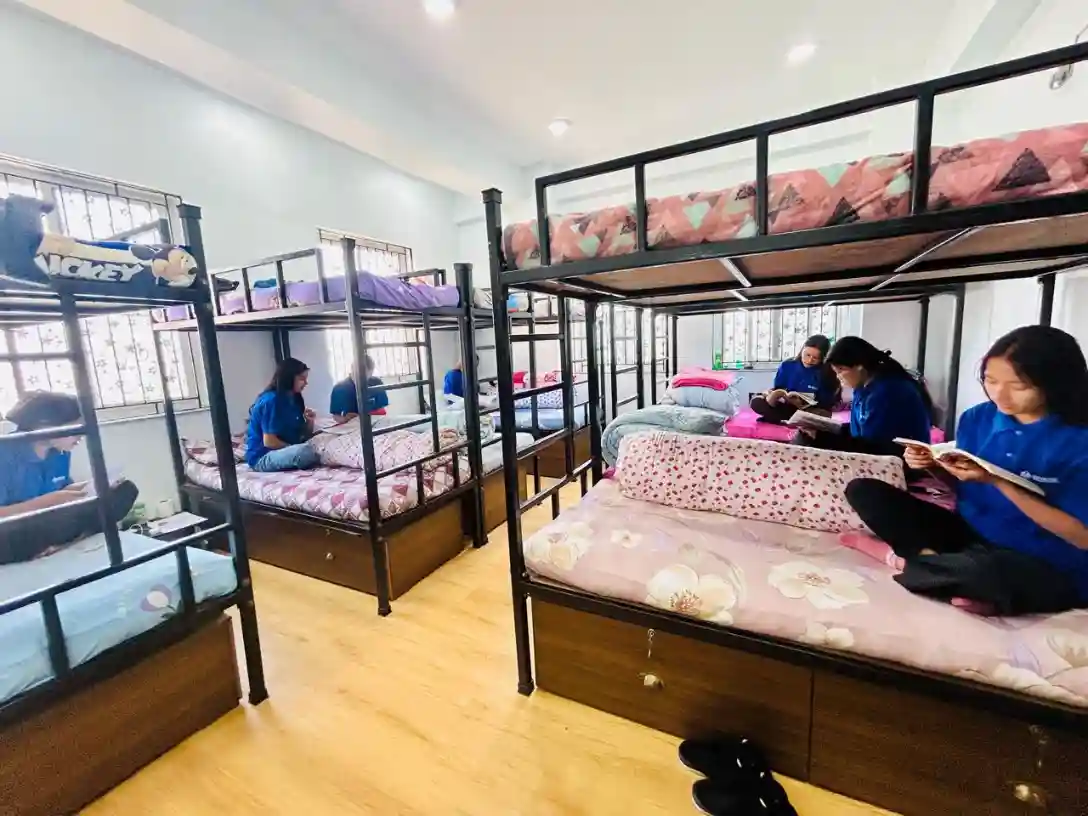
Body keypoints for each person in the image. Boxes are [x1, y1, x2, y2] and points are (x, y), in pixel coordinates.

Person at [844, 326, 1088, 616]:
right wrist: (934, 467)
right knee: (864, 491)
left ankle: (914, 564)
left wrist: (1000, 482)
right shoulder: (978, 418)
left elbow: (1081, 537)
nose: (1000, 395)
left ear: (1056, 383)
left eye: (1019, 386)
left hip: (1043, 557)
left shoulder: (1078, 439)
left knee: (986, 572)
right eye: (991, 380)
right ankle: (946, 573)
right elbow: (963, 488)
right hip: (972, 533)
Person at [0, 391, 138, 564]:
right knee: (31, 530)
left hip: (52, 520)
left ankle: (69, 541)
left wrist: (91, 487)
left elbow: (63, 491)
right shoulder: (4, 453)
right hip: (15, 530)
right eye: (76, 430)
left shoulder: (60, 453)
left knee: (125, 490)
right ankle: (59, 540)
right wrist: (48, 501)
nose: (81, 436)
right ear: (46, 426)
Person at [800, 336, 932, 457]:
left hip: (898, 461)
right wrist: (821, 430)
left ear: (860, 367)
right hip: (873, 451)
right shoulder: (862, 387)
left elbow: (875, 447)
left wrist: (824, 438)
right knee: (807, 438)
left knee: (812, 445)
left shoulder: (888, 392)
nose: (838, 376)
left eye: (841, 370)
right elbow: (860, 433)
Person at [246, 357, 320, 472]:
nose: (306, 383)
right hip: (262, 456)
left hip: (285, 449)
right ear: (289, 377)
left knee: (314, 446)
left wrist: (309, 422)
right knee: (304, 452)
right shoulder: (271, 400)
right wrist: (293, 448)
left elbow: (302, 436)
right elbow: (269, 441)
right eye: (302, 379)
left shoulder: (295, 398)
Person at [750, 334, 839, 423]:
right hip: (785, 406)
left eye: (815, 358)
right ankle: (791, 420)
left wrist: (803, 403)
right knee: (756, 402)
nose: (809, 360)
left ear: (823, 358)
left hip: (809, 411)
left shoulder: (828, 372)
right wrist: (772, 394)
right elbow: (778, 388)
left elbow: (827, 403)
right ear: (802, 350)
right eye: (807, 355)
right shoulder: (787, 365)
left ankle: (780, 419)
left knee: (823, 414)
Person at [329, 355, 390, 420]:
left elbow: (383, 409)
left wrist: (363, 416)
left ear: (371, 372)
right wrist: (345, 418)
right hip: (350, 427)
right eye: (359, 375)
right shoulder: (339, 389)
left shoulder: (377, 383)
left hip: (375, 425)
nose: (361, 380)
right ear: (352, 369)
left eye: (366, 377)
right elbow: (335, 416)